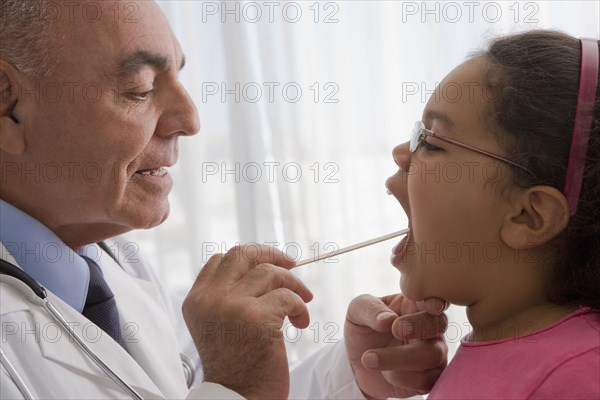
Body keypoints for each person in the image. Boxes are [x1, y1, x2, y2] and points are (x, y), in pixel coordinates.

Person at [0, 0, 448, 398]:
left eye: (179, 77)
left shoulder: (116, 266)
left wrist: (349, 375)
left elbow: (201, 392)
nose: (190, 119)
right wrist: (236, 389)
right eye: (139, 88)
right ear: (8, 103)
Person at [385, 30, 599, 399]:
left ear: (528, 216)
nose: (401, 153)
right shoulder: (504, 348)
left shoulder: (575, 376)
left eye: (432, 143)